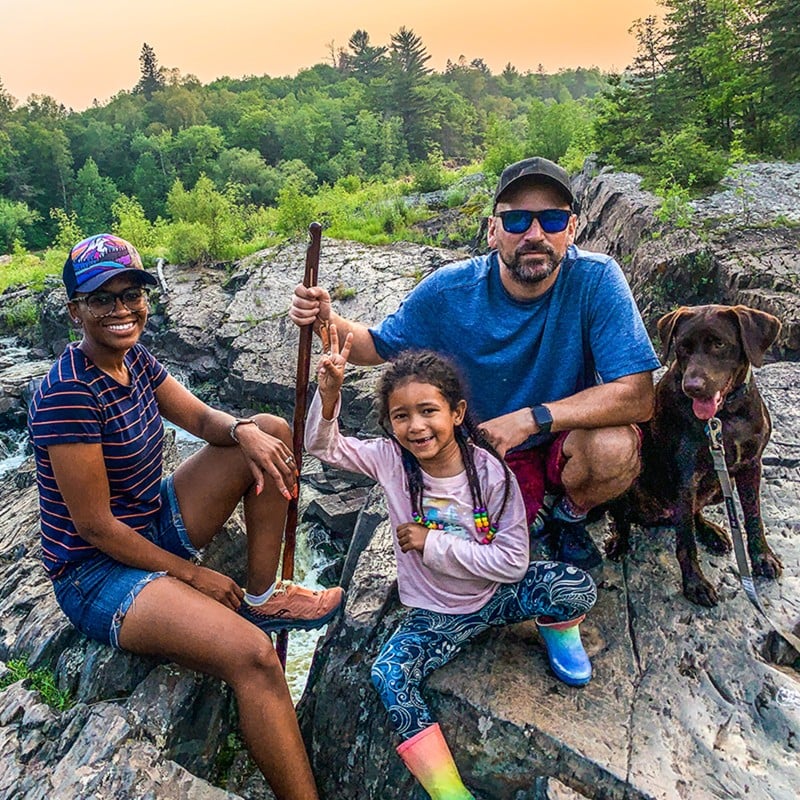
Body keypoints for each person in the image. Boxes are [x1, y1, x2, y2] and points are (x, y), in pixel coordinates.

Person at [28, 233, 344, 800]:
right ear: (75, 310)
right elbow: (94, 527)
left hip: (151, 520)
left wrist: (242, 429)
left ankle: (260, 594)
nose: (122, 309)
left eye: (132, 294)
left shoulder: (135, 361)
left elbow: (200, 420)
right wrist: (193, 576)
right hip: (95, 571)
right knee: (251, 659)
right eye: (102, 299)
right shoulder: (67, 393)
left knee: (268, 433)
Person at [291, 156, 661, 571]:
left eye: (552, 220)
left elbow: (638, 396)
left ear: (571, 229)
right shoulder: (451, 290)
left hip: (561, 437)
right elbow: (376, 346)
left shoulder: (597, 280)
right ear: (492, 230)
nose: (535, 234)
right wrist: (327, 320)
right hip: (485, 452)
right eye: (517, 220)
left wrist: (530, 419)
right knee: (483, 547)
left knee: (615, 448)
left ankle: (569, 516)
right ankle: (527, 513)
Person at [305, 333, 597, 800]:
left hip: (495, 597)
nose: (417, 426)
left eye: (428, 411)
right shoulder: (389, 461)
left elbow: (511, 562)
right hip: (434, 615)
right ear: (390, 424)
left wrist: (432, 544)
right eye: (401, 416)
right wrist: (330, 392)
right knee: (389, 675)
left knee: (575, 586)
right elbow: (323, 446)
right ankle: (450, 792)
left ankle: (557, 632)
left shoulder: (491, 473)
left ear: (456, 413)